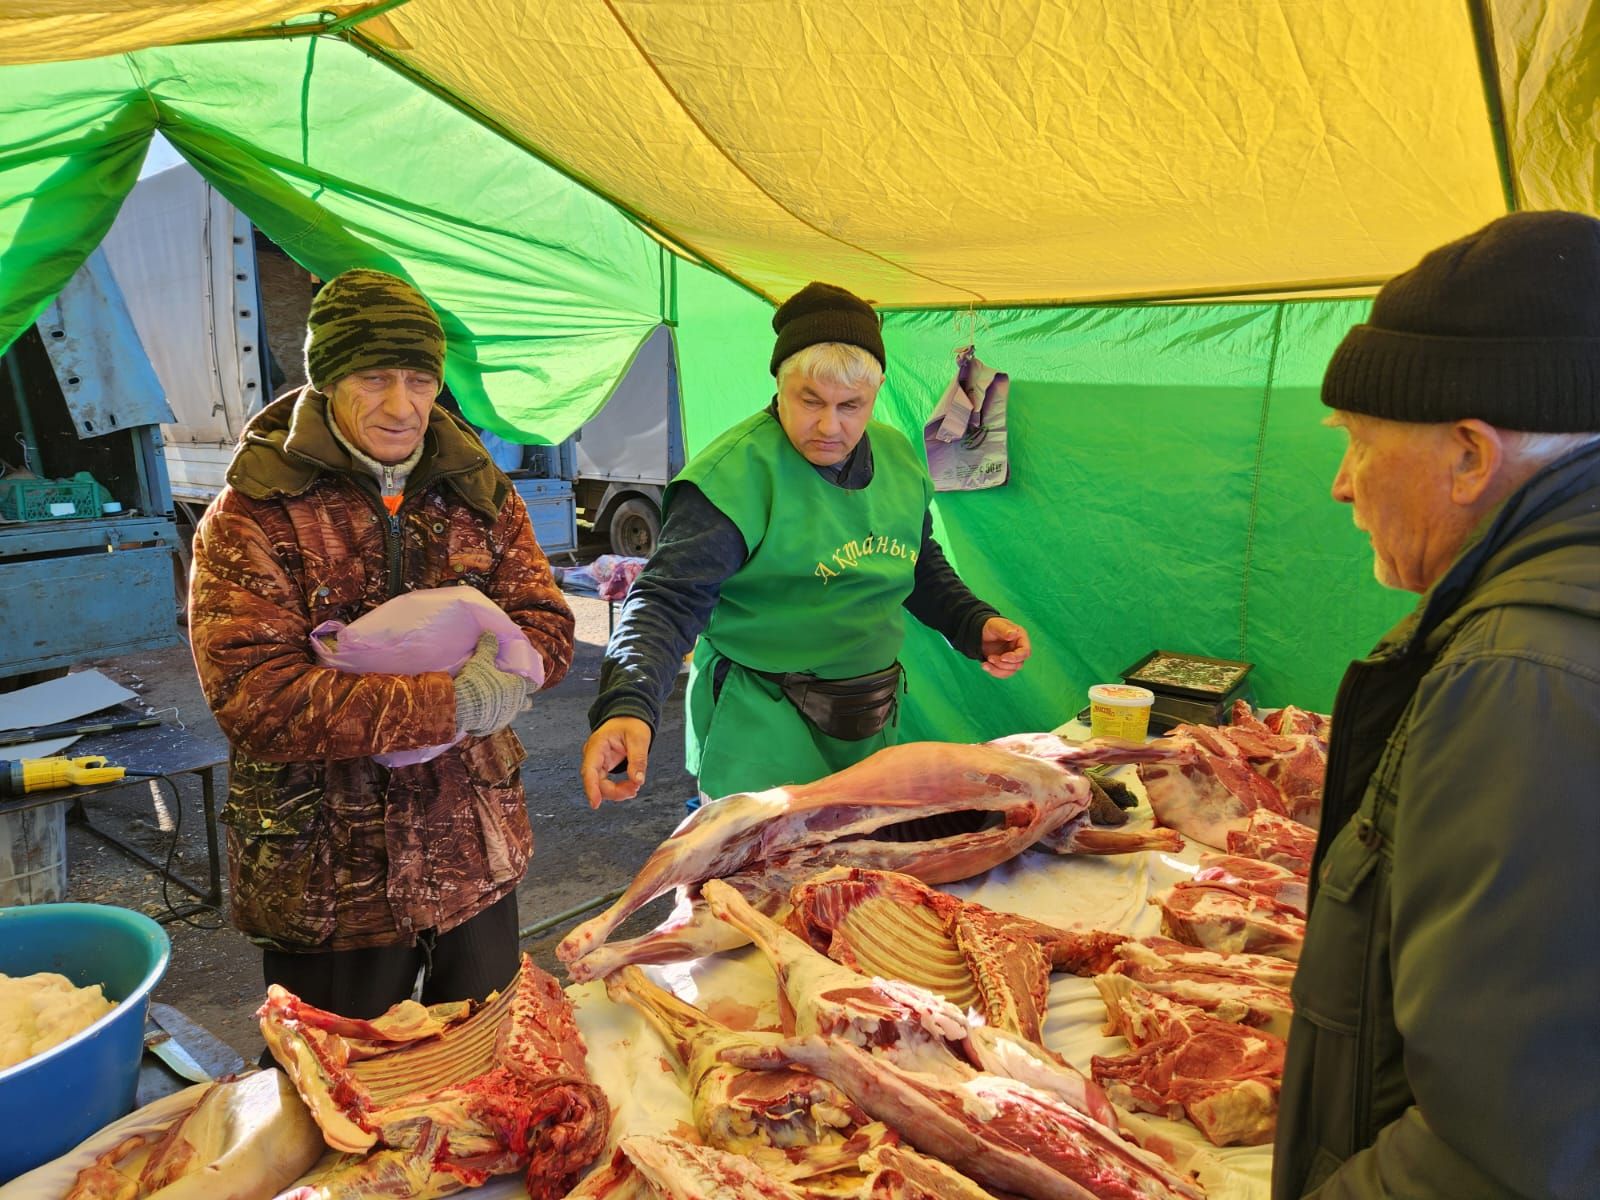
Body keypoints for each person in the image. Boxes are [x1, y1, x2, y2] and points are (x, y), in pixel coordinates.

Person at [1275, 211, 1600, 1199]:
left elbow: (1496, 1154)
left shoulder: (1524, 671)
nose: (1340, 487)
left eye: (1358, 443)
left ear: (1468, 454)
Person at [188, 268, 574, 1021]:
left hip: (474, 856)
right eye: (374, 377)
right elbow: (257, 700)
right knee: (340, 1100)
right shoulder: (253, 514)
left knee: (490, 1083)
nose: (402, 406)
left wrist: (512, 668)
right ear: (328, 380)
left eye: (420, 379)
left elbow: (548, 622)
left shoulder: (481, 493)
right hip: (327, 880)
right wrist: (449, 699)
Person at [580, 281, 1032, 807]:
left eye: (851, 406)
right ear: (778, 383)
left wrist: (972, 622)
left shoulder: (898, 455)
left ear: (877, 392)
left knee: (861, 877)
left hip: (870, 716)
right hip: (763, 727)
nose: (829, 426)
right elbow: (665, 602)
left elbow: (914, 561)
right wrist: (627, 704)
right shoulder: (734, 477)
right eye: (809, 401)